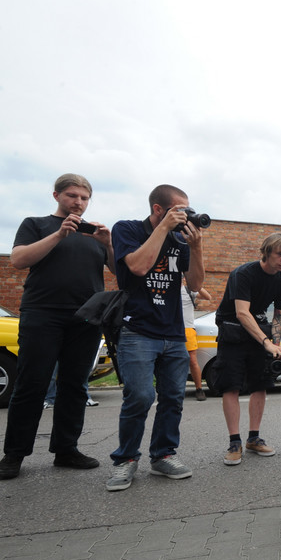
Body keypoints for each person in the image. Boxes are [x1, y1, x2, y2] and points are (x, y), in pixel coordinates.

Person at [0, 174, 113, 480]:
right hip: (42, 314)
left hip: (86, 317)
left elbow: (120, 272)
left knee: (74, 385)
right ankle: (14, 454)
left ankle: (66, 449)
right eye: (72, 196)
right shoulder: (37, 224)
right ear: (56, 195)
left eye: (84, 198)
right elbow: (18, 260)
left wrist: (109, 244)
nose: (79, 202)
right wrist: (60, 234)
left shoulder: (94, 236)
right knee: (32, 383)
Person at [105, 184, 205, 491]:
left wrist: (197, 247)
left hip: (173, 331)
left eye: (189, 209)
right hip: (137, 330)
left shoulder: (181, 240)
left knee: (173, 398)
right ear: (158, 209)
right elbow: (137, 266)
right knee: (140, 396)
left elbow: (196, 283)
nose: (186, 216)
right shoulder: (127, 229)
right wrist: (163, 229)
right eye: (180, 210)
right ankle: (126, 460)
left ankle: (163, 455)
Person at [213, 233, 281, 466]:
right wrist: (266, 341)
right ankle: (234, 442)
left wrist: (275, 346)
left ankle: (253, 438)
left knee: (261, 385)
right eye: (280, 254)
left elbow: (278, 316)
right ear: (266, 252)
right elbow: (241, 313)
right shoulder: (244, 273)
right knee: (231, 386)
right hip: (233, 331)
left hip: (258, 333)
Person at [182, 278, 212, 401]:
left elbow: (208, 297)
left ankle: (199, 389)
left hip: (187, 329)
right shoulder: (166, 290)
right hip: (171, 329)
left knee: (193, 360)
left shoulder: (188, 290)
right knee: (168, 360)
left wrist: (196, 285)